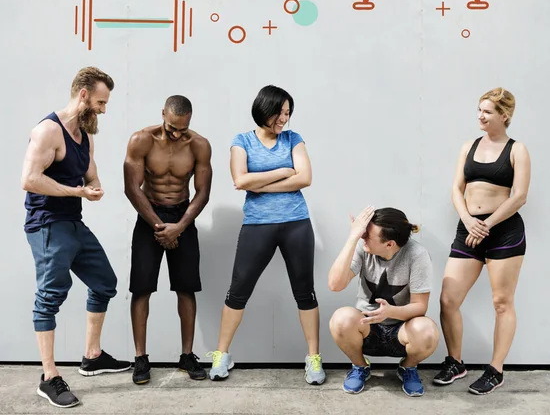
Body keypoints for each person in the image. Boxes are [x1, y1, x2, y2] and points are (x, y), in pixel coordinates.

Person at [22, 66, 130, 409]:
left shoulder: (86, 134)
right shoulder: (47, 132)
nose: (103, 109)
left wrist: (94, 187)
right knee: (50, 296)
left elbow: (90, 174)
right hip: (47, 223)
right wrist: (77, 192)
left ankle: (92, 356)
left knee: (105, 282)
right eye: (100, 101)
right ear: (83, 95)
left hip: (72, 222)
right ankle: (49, 377)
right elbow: (30, 180)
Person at [208, 85, 325, 385]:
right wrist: (285, 171)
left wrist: (258, 184)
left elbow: (306, 177)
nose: (284, 119)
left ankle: (313, 358)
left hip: (296, 223)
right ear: (265, 109)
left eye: (288, 113)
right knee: (238, 290)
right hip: (257, 224)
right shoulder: (242, 140)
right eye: (280, 112)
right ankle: (222, 354)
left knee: (305, 291)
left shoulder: (293, 139)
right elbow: (240, 180)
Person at [434, 88, 530, 395]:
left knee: (502, 303)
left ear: (504, 116)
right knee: (448, 300)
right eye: (479, 110)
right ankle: (456, 363)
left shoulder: (517, 150)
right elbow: (455, 189)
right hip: (469, 229)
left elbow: (519, 196)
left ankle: (495, 369)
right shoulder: (469, 146)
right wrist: (467, 221)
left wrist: (486, 224)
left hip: (503, 231)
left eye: (487, 111)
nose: (480, 116)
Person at [124, 95, 212, 385]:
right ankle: (140, 358)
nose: (177, 134)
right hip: (150, 216)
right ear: (163, 114)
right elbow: (132, 189)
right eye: (172, 127)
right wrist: (162, 227)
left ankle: (187, 355)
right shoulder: (142, 140)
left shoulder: (198, 144)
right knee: (141, 288)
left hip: (183, 216)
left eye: (183, 128)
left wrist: (180, 226)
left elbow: (202, 192)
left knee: (186, 289)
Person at [328, 206, 438, 397]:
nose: (363, 237)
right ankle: (360, 366)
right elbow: (335, 285)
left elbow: (420, 306)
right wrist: (352, 238)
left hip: (401, 332)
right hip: (368, 328)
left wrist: (390, 312)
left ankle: (407, 368)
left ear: (389, 244)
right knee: (341, 319)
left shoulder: (417, 254)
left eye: (366, 235)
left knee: (427, 331)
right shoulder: (363, 248)